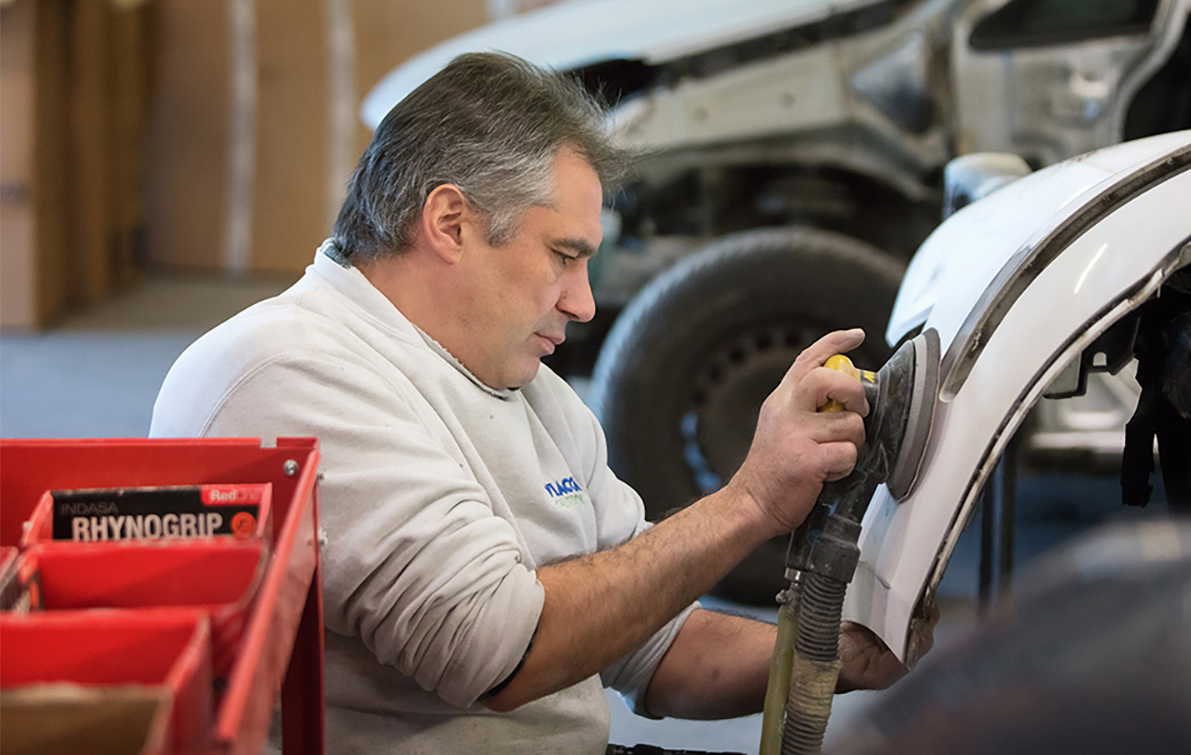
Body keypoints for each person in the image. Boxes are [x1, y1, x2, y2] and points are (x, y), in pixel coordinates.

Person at [150, 52, 930, 754]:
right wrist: (752, 500)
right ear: (451, 223)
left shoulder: (523, 385)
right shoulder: (286, 371)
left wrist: (847, 655)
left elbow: (654, 651)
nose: (585, 303)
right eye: (564, 255)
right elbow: (500, 654)